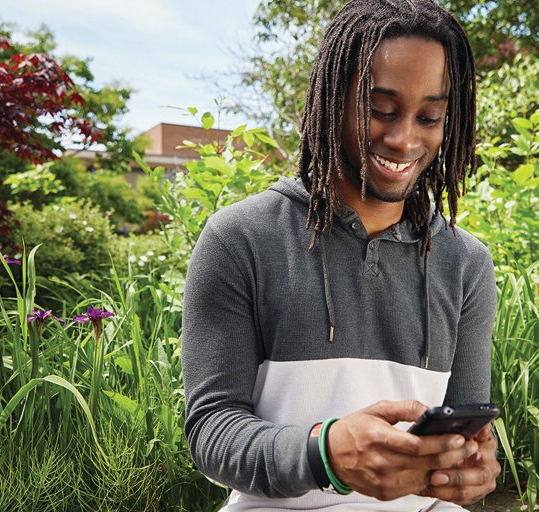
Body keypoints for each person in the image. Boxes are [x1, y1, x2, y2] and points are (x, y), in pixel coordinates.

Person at [181, 1, 499, 510]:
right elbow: (212, 430)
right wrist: (323, 453)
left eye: (430, 116)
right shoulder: (239, 239)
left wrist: (473, 466)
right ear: (332, 100)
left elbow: (464, 422)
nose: (403, 139)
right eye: (380, 110)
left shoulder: (466, 264)